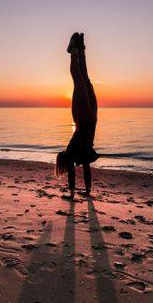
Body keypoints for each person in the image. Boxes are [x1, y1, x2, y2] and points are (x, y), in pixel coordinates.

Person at [56, 32, 98, 199]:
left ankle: (80, 51)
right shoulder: (72, 150)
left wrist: (75, 193)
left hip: (93, 118)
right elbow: (77, 169)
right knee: (80, 80)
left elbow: (83, 167)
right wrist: (72, 193)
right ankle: (75, 51)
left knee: (85, 80)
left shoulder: (78, 151)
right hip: (83, 118)